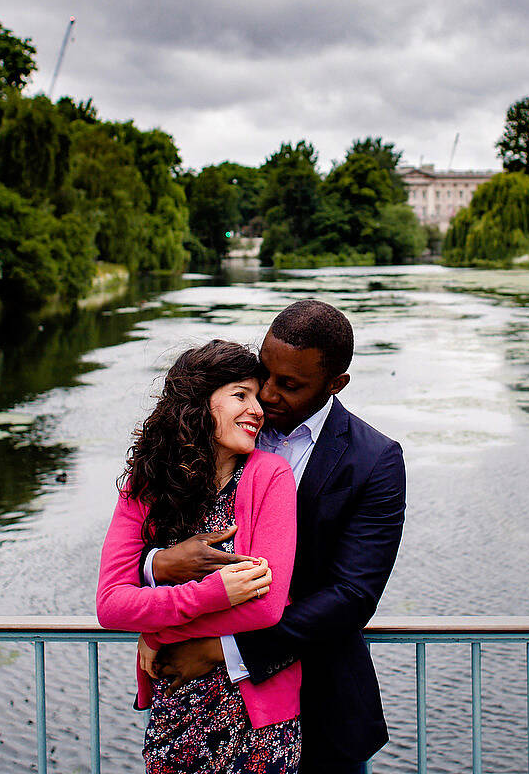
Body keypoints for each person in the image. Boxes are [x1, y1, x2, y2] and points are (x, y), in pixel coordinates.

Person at [146, 300, 407, 774]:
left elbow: (352, 594)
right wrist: (157, 567)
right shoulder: (219, 427)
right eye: (264, 373)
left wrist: (222, 652)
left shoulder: (375, 461)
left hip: (323, 709)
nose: (265, 394)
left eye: (289, 385)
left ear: (335, 385)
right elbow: (151, 526)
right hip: (204, 711)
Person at [96, 339, 302, 773]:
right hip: (176, 711)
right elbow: (112, 605)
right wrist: (213, 595)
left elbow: (266, 608)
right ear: (197, 404)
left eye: (257, 397)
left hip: (257, 720)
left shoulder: (271, 477)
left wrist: (157, 633)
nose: (258, 410)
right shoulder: (145, 484)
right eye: (240, 396)